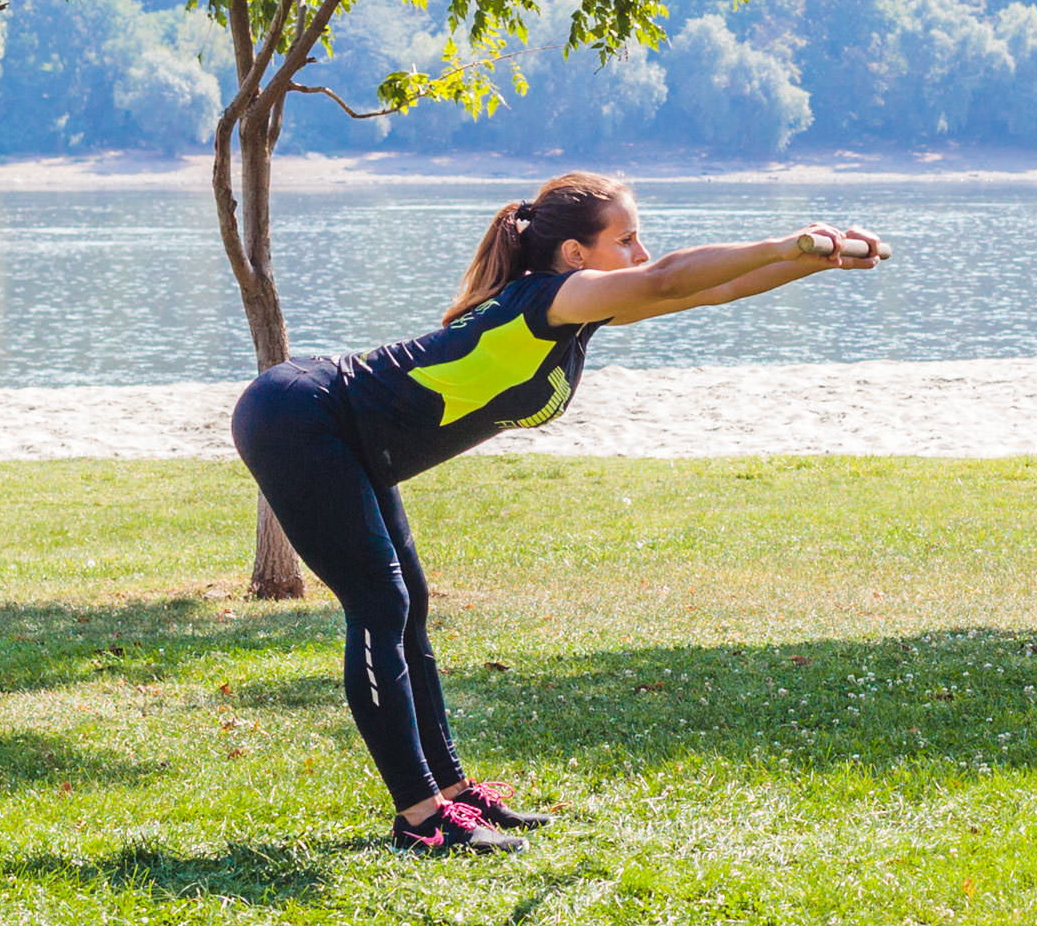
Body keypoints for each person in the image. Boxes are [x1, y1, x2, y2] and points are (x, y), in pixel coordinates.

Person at [231, 171, 882, 856]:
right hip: (301, 418)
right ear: (574, 253)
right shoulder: (549, 299)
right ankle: (420, 820)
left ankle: (451, 795)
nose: (640, 252)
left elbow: (704, 288)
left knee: (407, 601)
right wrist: (781, 241)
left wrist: (810, 262)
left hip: (346, 434)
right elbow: (667, 278)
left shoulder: (574, 308)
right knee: (380, 603)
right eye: (626, 239)